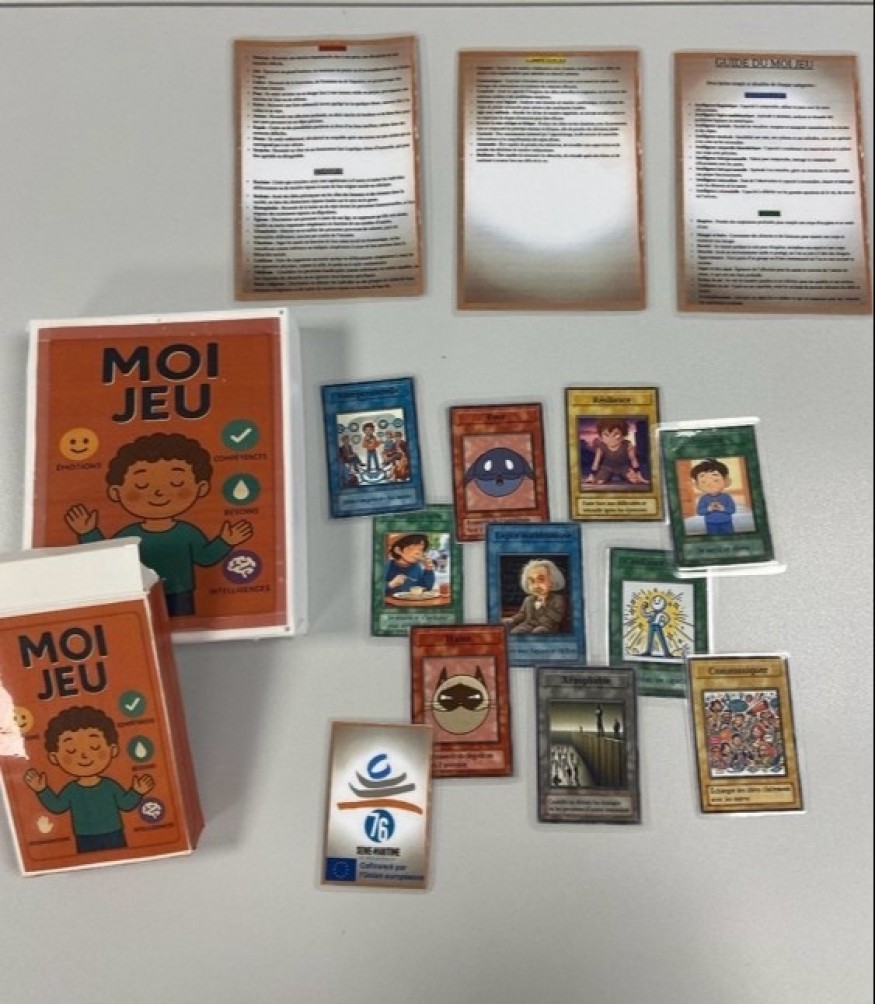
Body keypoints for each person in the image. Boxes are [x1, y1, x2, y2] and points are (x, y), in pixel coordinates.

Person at [64, 432, 253, 616]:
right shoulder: (128, 535)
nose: (159, 493)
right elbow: (112, 559)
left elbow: (205, 558)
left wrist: (225, 541)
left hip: (180, 594)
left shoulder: (188, 532)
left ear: (201, 488)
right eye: (141, 485)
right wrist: (88, 532)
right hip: (139, 593)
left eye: (176, 483)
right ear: (115, 492)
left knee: (183, 624)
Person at [23, 706, 154, 854]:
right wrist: (42, 790)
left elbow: (125, 804)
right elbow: (58, 806)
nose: (84, 756)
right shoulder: (71, 790)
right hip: (84, 837)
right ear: (54, 758)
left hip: (114, 833)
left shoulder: (110, 785)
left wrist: (137, 791)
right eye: (71, 750)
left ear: (113, 750)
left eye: (95, 747)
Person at [503, 559, 566, 634]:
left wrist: (543, 605)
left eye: (541, 580)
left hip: (547, 626)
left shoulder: (558, 599)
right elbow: (522, 614)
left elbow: (557, 618)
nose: (536, 586)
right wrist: (512, 619)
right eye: (532, 581)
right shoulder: (528, 600)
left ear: (551, 582)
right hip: (528, 625)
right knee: (515, 632)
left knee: (538, 632)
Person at [586, 419, 646, 485]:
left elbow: (633, 459)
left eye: (616, 434)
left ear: (623, 435)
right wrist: (591, 475)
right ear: (601, 436)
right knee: (598, 482)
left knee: (635, 481)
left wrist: (638, 475)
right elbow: (596, 461)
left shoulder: (627, 444)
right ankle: (606, 476)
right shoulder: (601, 446)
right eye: (606, 435)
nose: (611, 439)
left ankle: (623, 476)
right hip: (606, 468)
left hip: (623, 467)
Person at [690, 458, 736, 535]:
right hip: (711, 523)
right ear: (697, 485)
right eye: (703, 482)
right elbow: (699, 512)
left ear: (726, 480)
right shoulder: (703, 498)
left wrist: (723, 508)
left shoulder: (726, 497)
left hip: (726, 522)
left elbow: (732, 510)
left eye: (716, 480)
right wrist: (708, 509)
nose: (710, 485)